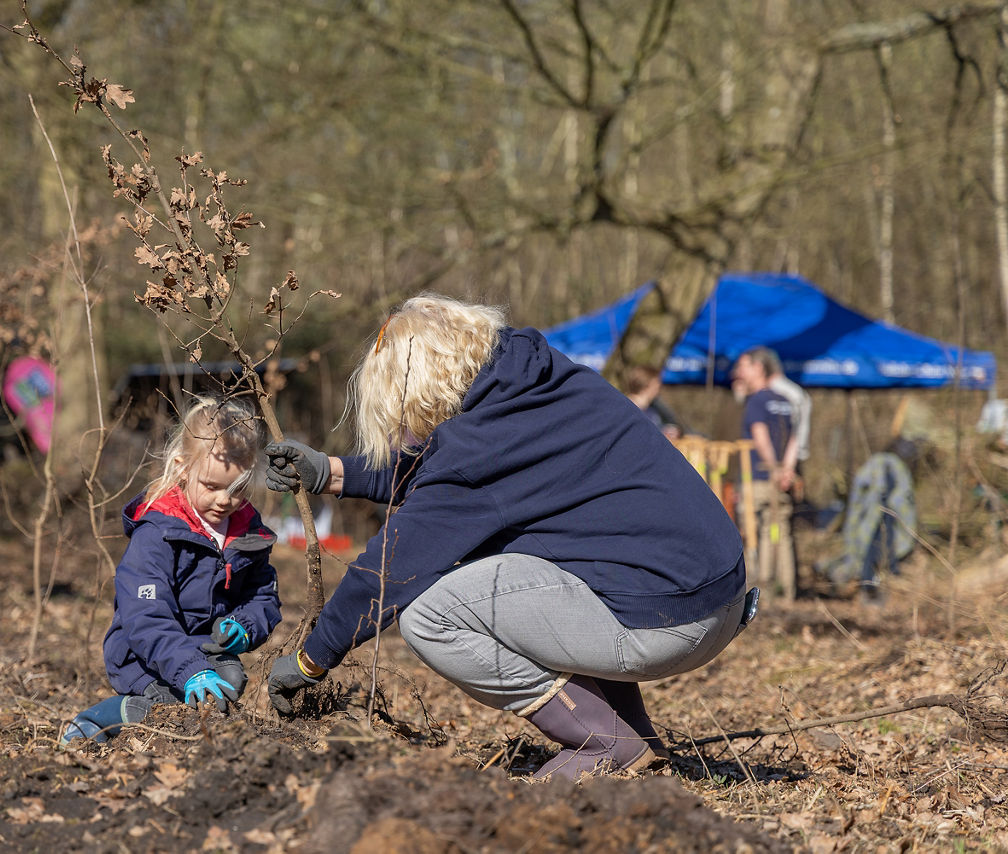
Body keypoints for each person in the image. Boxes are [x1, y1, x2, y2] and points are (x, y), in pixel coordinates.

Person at [262, 294, 756, 780]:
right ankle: (634, 734)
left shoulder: (477, 448)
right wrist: (332, 472)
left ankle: (603, 740)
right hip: (714, 594)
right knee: (558, 562)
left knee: (429, 615)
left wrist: (311, 660)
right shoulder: (536, 378)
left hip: (669, 623)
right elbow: (444, 469)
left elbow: (387, 572)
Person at [62, 395, 281, 744]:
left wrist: (244, 626)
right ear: (182, 468)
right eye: (211, 486)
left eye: (237, 488)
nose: (224, 500)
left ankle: (184, 738)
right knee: (169, 702)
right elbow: (145, 618)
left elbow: (263, 595)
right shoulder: (157, 533)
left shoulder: (245, 530)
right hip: (144, 652)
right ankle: (99, 720)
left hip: (204, 646)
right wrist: (190, 670)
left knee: (229, 686)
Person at [731, 347, 797, 599]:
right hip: (782, 481)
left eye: (743, 366)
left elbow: (761, 438)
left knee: (753, 534)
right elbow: (793, 441)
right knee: (780, 533)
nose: (738, 372)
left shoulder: (757, 401)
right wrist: (787, 471)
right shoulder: (786, 401)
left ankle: (759, 593)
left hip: (758, 478)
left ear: (758, 368)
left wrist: (774, 469)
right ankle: (787, 593)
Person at [819, 438, 918, 603]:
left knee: (874, 555)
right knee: (872, 556)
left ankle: (872, 589)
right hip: (875, 520)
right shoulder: (889, 466)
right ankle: (870, 589)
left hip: (881, 520)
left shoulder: (884, 465)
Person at [622, 364, 683, 439]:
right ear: (649, 384)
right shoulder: (628, 410)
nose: (659, 386)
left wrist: (666, 432)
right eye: (657, 382)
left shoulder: (651, 410)